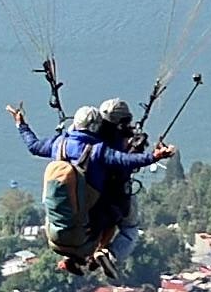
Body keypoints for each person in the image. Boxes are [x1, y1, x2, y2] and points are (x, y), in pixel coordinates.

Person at [12, 96, 174, 273]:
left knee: (77, 212)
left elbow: (33, 145)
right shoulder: (99, 151)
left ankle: (73, 259)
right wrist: (154, 157)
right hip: (90, 229)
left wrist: (21, 124)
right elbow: (126, 160)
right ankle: (109, 254)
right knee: (127, 226)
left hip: (53, 235)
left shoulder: (59, 144)